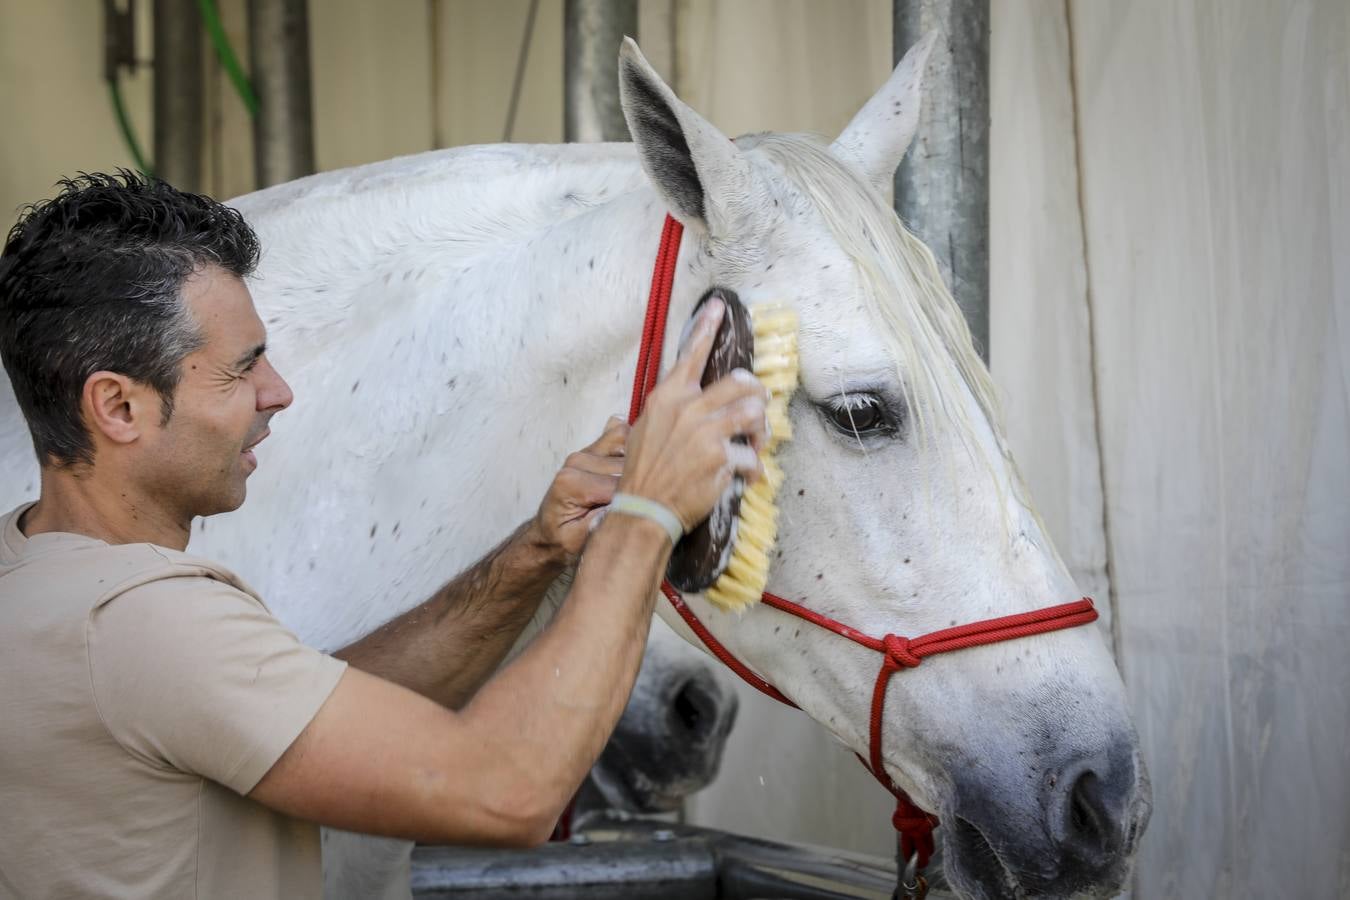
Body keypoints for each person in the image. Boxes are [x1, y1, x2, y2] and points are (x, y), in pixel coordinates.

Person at [0, 172, 768, 898]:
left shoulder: (31, 572)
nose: (279, 392)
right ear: (119, 407)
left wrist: (537, 550)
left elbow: (326, 712)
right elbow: (506, 791)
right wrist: (647, 517)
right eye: (241, 371)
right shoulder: (143, 623)